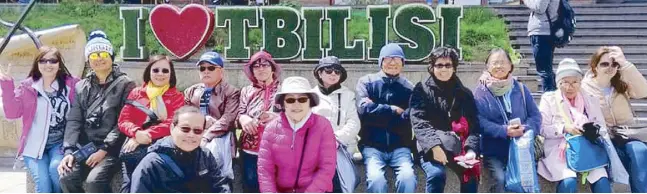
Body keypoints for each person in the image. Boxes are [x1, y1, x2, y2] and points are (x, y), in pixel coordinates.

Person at [57, 30, 137, 193]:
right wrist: (69, 151)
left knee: (94, 182)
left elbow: (123, 122)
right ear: (88, 60)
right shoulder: (81, 86)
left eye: (102, 53)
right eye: (93, 55)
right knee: (67, 176)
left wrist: (104, 150)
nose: (99, 58)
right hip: (85, 147)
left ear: (111, 56)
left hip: (112, 149)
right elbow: (74, 120)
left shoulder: (126, 84)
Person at [0, 46, 79, 193]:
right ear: (37, 63)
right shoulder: (28, 87)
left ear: (59, 64)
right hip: (34, 147)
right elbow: (12, 113)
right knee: (43, 184)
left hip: (61, 144)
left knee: (57, 172)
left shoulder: (72, 84)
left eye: (52, 61)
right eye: (43, 60)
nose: (48, 65)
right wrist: (7, 86)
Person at [537, 58, 616, 193]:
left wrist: (591, 130)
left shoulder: (590, 99)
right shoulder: (549, 98)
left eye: (574, 82)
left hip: (587, 147)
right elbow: (542, 128)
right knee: (569, 180)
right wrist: (564, 128)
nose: (570, 87)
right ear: (558, 83)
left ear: (580, 82)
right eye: (565, 82)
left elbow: (601, 126)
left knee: (601, 179)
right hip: (559, 150)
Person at [410, 47, 481, 193]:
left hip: (457, 146)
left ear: (454, 68)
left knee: (471, 176)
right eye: (439, 65)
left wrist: (471, 151)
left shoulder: (464, 94)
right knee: (437, 174)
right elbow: (419, 121)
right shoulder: (421, 90)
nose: (444, 69)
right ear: (432, 67)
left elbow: (474, 125)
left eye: (448, 65)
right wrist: (434, 147)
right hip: (428, 146)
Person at [473, 48, 542, 192]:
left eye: (503, 62)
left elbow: (535, 116)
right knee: (499, 180)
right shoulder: (481, 92)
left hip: (521, 147)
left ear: (511, 65)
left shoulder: (521, 88)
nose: (499, 66)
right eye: (495, 63)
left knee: (524, 182)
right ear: (488, 66)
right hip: (494, 150)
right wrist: (504, 131)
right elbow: (478, 121)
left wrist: (525, 129)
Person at [581, 46, 647, 193]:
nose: (610, 68)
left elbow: (644, 91)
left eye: (614, 64)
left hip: (627, 134)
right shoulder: (584, 88)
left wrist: (625, 64)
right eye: (604, 64)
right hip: (603, 138)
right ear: (595, 66)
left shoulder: (621, 84)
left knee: (640, 150)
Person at [257, 76, 337, 193]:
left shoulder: (323, 126)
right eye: (290, 100)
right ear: (283, 104)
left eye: (302, 99)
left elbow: (327, 169)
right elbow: (265, 171)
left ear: (310, 102)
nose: (296, 104)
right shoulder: (271, 129)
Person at [117, 55, 184, 192]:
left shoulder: (177, 97)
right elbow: (123, 120)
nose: (160, 74)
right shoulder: (136, 93)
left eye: (165, 71)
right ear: (149, 72)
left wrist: (146, 135)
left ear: (171, 74)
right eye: (156, 70)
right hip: (134, 145)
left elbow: (172, 123)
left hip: (161, 145)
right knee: (128, 184)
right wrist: (136, 133)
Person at [356, 43, 416, 193]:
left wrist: (376, 110)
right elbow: (363, 109)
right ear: (381, 61)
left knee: (408, 178)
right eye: (388, 58)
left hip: (400, 147)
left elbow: (411, 115)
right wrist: (393, 110)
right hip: (372, 146)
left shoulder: (409, 88)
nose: (393, 62)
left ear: (403, 63)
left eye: (397, 59)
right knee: (376, 180)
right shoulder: (366, 82)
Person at [129, 106, 231, 193]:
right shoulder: (151, 163)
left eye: (197, 131)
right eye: (185, 129)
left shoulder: (205, 156)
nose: (191, 135)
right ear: (172, 128)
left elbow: (220, 186)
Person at [184, 51, 240, 182]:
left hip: (219, 140)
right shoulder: (191, 91)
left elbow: (228, 119)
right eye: (202, 68)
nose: (206, 71)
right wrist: (202, 121)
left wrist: (206, 136)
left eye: (211, 68)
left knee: (217, 180)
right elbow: (184, 116)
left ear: (221, 71)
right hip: (194, 137)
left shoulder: (231, 92)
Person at [311, 56, 361, 192]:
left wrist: (335, 139)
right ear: (319, 73)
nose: (333, 74)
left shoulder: (348, 95)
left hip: (342, 148)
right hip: (316, 149)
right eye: (328, 70)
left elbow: (354, 122)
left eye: (337, 71)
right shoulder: (310, 96)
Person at [237, 50, 282, 193]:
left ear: (272, 68)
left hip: (278, 148)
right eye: (256, 66)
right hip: (251, 148)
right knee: (251, 185)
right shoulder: (246, 91)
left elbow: (296, 114)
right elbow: (240, 113)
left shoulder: (283, 90)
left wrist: (277, 117)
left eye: (265, 65)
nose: (261, 69)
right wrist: (244, 119)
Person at [524, 0, 560, 92]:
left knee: (544, 70)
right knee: (546, 68)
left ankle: (549, 99)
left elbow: (540, 8)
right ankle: (554, 96)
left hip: (542, 32)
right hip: (545, 30)